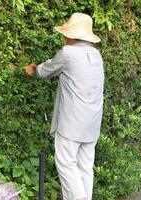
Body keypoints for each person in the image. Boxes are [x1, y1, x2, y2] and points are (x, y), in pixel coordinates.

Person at [25, 13, 104, 200]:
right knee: (85, 166)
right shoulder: (96, 54)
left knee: (66, 163)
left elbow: (46, 70)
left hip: (71, 122)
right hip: (92, 122)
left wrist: (34, 69)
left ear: (72, 35)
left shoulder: (68, 53)